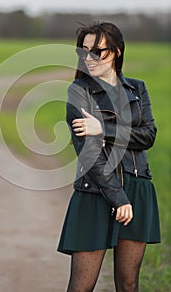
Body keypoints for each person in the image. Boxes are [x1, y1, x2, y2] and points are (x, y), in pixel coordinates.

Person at [57, 22, 161, 292]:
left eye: (97, 51)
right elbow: (89, 153)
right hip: (95, 193)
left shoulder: (137, 89)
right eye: (84, 51)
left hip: (138, 188)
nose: (89, 58)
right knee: (81, 286)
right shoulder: (78, 92)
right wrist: (118, 198)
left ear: (116, 51)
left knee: (129, 284)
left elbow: (148, 136)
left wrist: (104, 129)